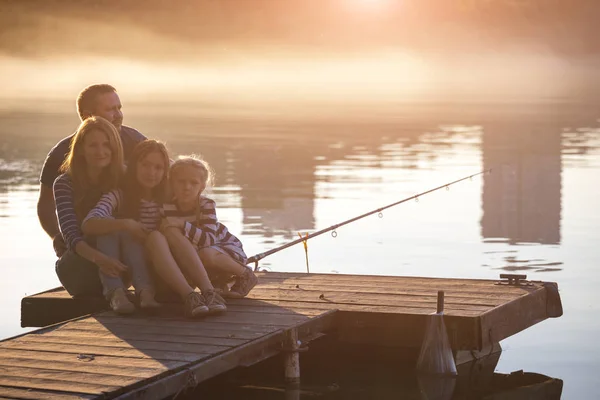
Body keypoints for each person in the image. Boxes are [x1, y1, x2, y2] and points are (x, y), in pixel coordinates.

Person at [38, 84, 146, 258]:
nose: (118, 115)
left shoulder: (134, 140)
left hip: (131, 234)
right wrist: (56, 236)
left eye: (119, 108)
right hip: (84, 237)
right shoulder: (61, 153)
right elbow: (46, 204)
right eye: (110, 109)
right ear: (89, 116)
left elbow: (166, 172)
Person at [82, 140, 167, 313]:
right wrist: (126, 224)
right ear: (134, 166)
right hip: (125, 267)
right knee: (111, 228)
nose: (151, 173)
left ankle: (146, 291)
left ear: (165, 171)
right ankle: (117, 293)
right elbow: (88, 224)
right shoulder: (119, 195)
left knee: (126, 233)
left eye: (158, 168)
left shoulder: (168, 198)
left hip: (160, 268)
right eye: (145, 165)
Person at [160, 156, 258, 301]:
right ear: (172, 182)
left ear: (202, 187)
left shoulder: (206, 205)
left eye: (193, 183)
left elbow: (209, 240)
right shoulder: (166, 207)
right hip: (197, 255)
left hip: (224, 249)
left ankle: (245, 274)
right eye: (181, 181)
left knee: (205, 253)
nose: (187, 187)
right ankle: (217, 281)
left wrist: (182, 224)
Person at [53, 116, 131, 298]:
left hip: (120, 262)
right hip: (82, 263)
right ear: (80, 149)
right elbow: (71, 236)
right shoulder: (64, 183)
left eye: (106, 144)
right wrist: (101, 260)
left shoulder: (125, 177)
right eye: (93, 145)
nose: (101, 151)